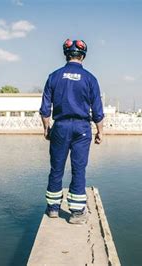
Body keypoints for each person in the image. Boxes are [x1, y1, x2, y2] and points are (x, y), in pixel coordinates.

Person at [39, 39, 104, 224]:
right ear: (82, 56)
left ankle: (52, 208)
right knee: (78, 169)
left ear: (66, 55)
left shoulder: (53, 76)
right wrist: (100, 132)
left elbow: (45, 110)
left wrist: (46, 128)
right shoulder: (90, 78)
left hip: (60, 127)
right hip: (82, 129)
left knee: (56, 168)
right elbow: (98, 111)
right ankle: (76, 213)